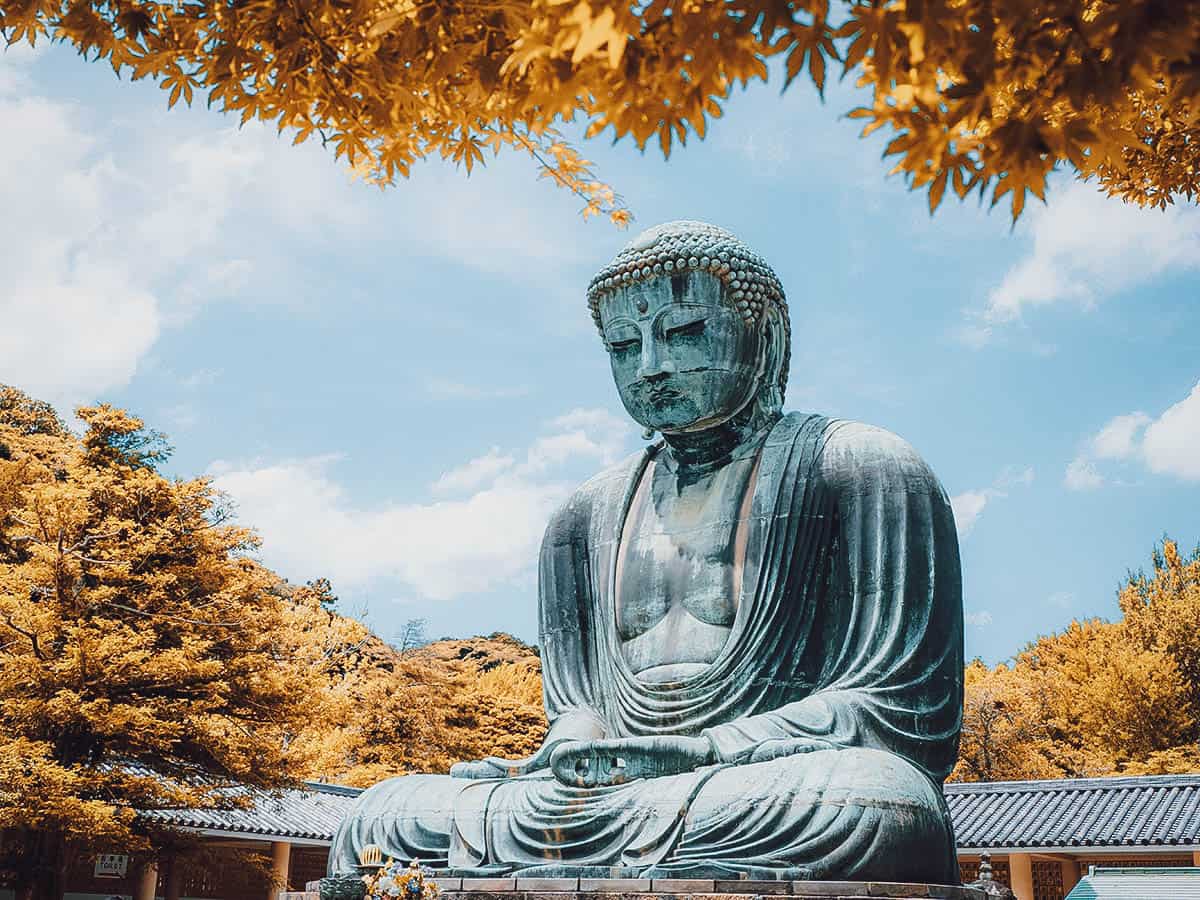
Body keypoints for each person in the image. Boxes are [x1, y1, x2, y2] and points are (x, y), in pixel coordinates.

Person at [326, 221, 963, 884]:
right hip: (608, 798)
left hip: (762, 783)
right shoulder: (582, 518)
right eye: (625, 345)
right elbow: (579, 705)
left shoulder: (860, 467)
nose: (650, 367)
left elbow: (903, 712)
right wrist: (572, 748)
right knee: (380, 819)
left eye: (684, 332)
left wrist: (704, 750)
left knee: (870, 804)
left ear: (765, 336)